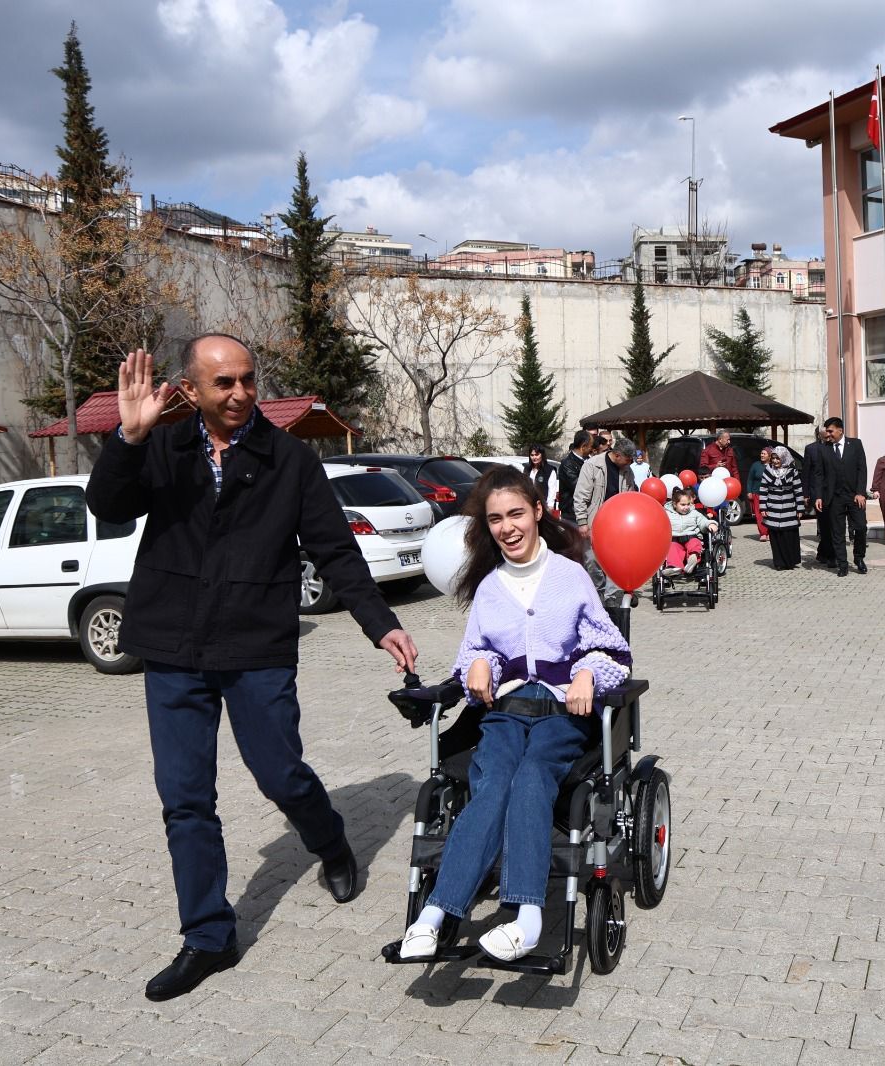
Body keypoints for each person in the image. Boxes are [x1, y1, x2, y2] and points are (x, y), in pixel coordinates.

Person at [87, 338, 419, 1003]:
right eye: (223, 383)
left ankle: (330, 840)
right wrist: (128, 438)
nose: (239, 393)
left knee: (280, 774)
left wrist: (380, 622)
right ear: (191, 389)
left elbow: (334, 549)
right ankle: (209, 936)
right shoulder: (162, 446)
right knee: (185, 799)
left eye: (247, 380)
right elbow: (109, 506)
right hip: (174, 649)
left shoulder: (289, 459)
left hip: (255, 646)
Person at [399, 467, 630, 963]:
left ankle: (527, 919)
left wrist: (587, 674)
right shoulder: (490, 587)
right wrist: (480, 663)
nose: (507, 527)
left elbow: (611, 648)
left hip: (561, 712)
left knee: (531, 778)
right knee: (493, 783)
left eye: (516, 514)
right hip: (504, 713)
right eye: (496, 519)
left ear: (538, 512)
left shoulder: (570, 576)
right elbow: (473, 653)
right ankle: (433, 916)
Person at [574, 436, 638, 605]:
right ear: (617, 455)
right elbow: (580, 496)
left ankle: (612, 599)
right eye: (628, 459)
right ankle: (597, 595)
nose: (630, 463)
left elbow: (630, 496)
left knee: (615, 562)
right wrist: (582, 522)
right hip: (595, 522)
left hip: (617, 525)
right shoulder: (592, 466)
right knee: (592, 561)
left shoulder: (627, 471)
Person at [813, 416, 868, 576]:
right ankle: (842, 564)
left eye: (830, 431)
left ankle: (859, 557)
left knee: (861, 527)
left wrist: (860, 492)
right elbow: (819, 474)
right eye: (827, 431)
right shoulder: (824, 449)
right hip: (834, 497)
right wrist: (818, 496)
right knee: (837, 532)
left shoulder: (856, 444)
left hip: (854, 496)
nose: (828, 434)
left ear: (840, 430)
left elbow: (862, 469)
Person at [758, 446, 804, 570]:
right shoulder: (768, 471)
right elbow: (763, 490)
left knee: (789, 537)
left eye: (778, 458)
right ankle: (779, 563)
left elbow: (798, 490)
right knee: (776, 538)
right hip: (773, 509)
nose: (775, 461)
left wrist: (800, 509)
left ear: (784, 458)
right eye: (773, 458)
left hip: (789, 509)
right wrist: (763, 508)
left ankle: (790, 562)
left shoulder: (792, 471)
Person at [663, 487, 718, 574]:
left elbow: (703, 521)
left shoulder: (694, 513)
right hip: (675, 539)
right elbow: (660, 523)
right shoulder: (667, 514)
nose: (686, 507)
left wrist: (710, 524)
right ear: (675, 504)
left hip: (691, 537)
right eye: (683, 505)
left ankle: (692, 559)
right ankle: (675, 567)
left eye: (688, 504)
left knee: (695, 543)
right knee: (672, 548)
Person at [804, 428, 834, 566]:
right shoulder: (811, 449)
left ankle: (824, 553)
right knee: (824, 525)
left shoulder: (835, 447)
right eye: (825, 434)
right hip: (818, 493)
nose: (828, 436)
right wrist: (806, 494)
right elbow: (806, 472)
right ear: (819, 435)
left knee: (832, 525)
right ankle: (827, 554)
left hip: (833, 492)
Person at [556, 430, 593, 525]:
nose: (592, 449)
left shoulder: (590, 461)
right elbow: (579, 487)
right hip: (572, 514)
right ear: (583, 446)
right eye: (590, 446)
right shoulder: (567, 464)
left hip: (587, 512)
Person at [744, 445, 771, 542]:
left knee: (770, 514)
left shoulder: (773, 466)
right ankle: (763, 533)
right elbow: (750, 479)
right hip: (757, 493)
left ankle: (770, 532)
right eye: (761, 453)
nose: (762, 455)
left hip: (770, 494)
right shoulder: (755, 465)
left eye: (764, 454)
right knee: (759, 514)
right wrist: (749, 491)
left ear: (769, 456)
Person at [524, 445, 555, 513]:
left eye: (537, 455)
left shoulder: (549, 470)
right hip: (529, 504)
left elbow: (552, 490)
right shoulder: (527, 469)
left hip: (543, 506)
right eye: (532, 455)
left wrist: (550, 506)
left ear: (542, 455)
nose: (534, 457)